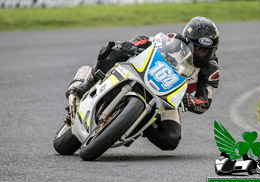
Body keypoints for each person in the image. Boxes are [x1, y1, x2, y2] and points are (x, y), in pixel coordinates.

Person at [66, 16, 220, 151]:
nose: (201, 54)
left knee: (171, 139)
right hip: (143, 74)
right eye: (198, 48)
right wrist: (132, 44)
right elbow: (149, 41)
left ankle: (137, 124)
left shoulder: (211, 71)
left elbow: (204, 102)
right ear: (187, 41)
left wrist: (190, 100)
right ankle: (88, 83)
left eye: (206, 51)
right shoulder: (174, 41)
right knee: (110, 49)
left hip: (168, 98)